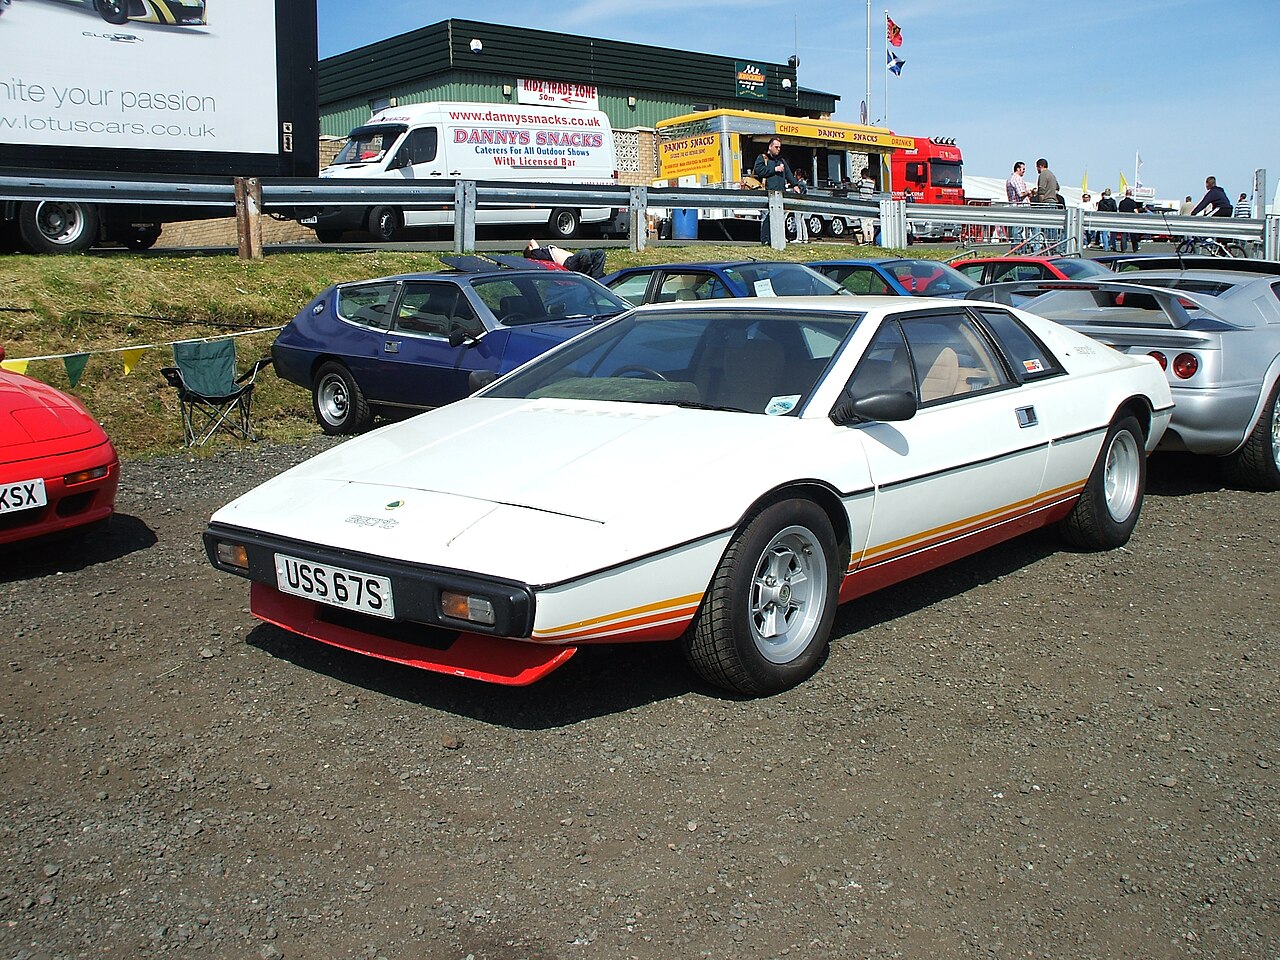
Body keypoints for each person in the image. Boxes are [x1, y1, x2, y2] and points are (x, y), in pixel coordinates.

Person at [753, 137, 800, 245]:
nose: (778, 149)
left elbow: (788, 173)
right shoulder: (763, 158)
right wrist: (774, 169)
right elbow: (759, 171)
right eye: (776, 147)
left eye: (779, 147)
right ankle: (765, 240)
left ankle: (778, 240)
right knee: (766, 218)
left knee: (780, 219)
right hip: (767, 193)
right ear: (770, 146)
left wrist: (795, 185)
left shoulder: (781, 160)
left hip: (780, 194)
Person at [523, 239, 606, 278]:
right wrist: (529, 248)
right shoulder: (536, 254)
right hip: (568, 263)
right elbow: (532, 241)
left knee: (599, 253)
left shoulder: (541, 252)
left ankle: (597, 276)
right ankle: (587, 275)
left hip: (574, 259)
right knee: (585, 252)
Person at [1033, 159, 1060, 242]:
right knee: (1052, 228)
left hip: (1046, 202)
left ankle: (1048, 247)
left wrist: (1040, 203)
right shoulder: (1052, 175)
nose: (1036, 169)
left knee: (1046, 228)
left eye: (1037, 167)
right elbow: (1057, 187)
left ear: (1040, 166)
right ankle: (1054, 247)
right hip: (1053, 202)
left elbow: (1041, 190)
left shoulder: (1043, 174)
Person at [1005, 161, 1032, 241]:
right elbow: (1021, 193)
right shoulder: (1017, 178)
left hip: (1013, 204)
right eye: (1023, 169)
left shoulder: (1009, 179)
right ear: (1018, 169)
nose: (1024, 171)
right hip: (1020, 206)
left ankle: (1015, 246)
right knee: (1018, 228)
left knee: (1015, 227)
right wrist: (1029, 192)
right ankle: (1018, 247)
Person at [1117, 187, 1142, 253]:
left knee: (1123, 235)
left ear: (1125, 194)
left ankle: (1123, 248)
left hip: (1123, 220)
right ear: (1131, 194)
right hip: (1131, 220)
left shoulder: (1121, 202)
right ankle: (1135, 248)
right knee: (1133, 235)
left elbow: (1119, 211)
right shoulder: (1133, 202)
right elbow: (1136, 211)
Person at [1096, 188, 1118, 252]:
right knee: (1113, 232)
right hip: (1111, 218)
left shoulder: (1101, 201)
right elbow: (1115, 209)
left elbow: (1099, 210)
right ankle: (1113, 245)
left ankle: (1106, 247)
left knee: (1104, 233)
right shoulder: (1112, 201)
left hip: (1103, 218)